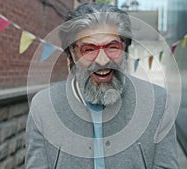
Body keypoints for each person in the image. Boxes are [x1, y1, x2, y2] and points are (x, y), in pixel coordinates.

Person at [25, 2, 179, 169]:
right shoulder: (42, 107)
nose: (103, 60)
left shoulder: (158, 103)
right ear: (72, 55)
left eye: (112, 47)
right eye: (89, 50)